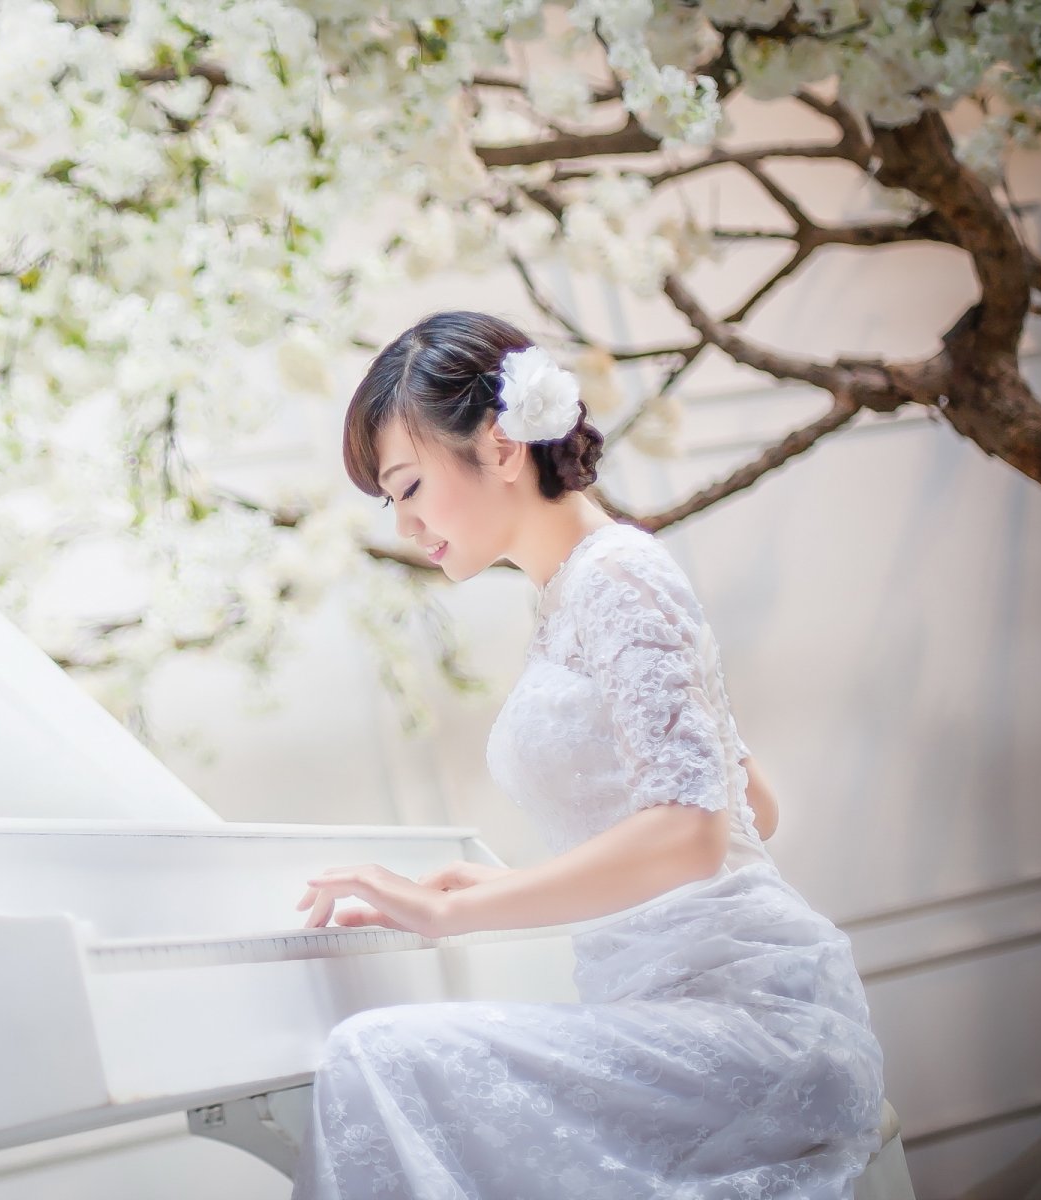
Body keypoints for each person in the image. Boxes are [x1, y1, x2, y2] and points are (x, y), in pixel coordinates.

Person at [289, 311, 886, 1198]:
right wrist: (486, 885)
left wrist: (451, 915)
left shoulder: (617, 575)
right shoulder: (578, 592)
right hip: (672, 1011)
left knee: (377, 1053)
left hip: (749, 1028)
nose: (406, 524)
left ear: (498, 448)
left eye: (409, 485)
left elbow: (695, 834)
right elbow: (749, 806)